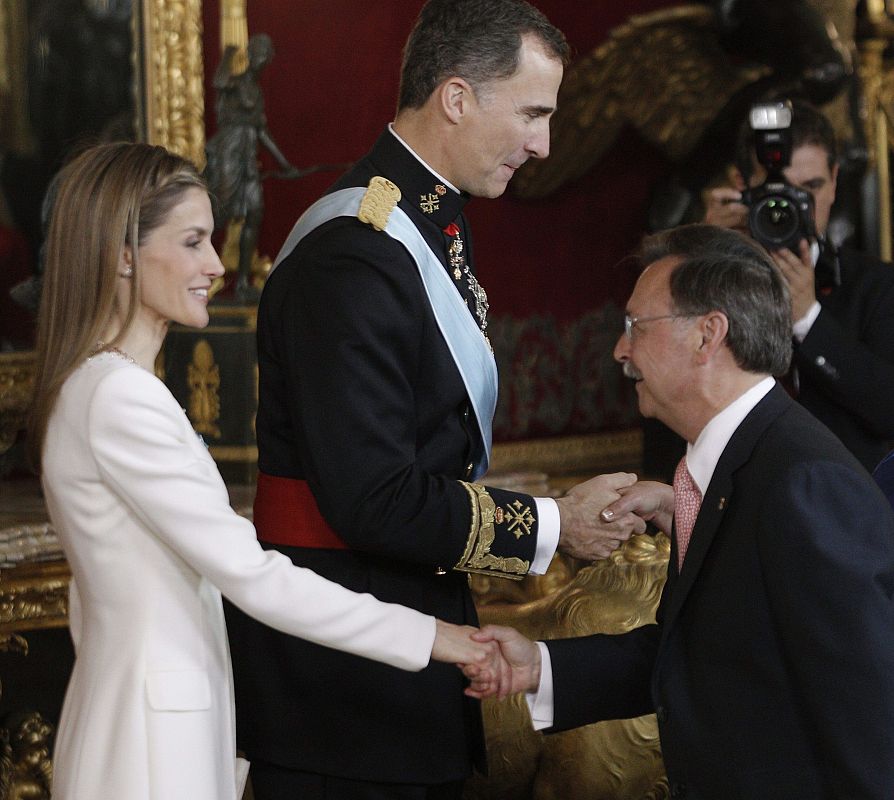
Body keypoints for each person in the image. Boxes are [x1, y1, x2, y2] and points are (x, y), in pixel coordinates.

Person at [224, 2, 646, 798]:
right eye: (532, 113)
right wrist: (552, 525)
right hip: (343, 693)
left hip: (396, 665)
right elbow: (372, 497)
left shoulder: (428, 227)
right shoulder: (355, 254)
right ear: (456, 98)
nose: (543, 144)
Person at [26, 141, 499, 800]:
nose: (215, 265)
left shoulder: (101, 386)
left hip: (144, 718)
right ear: (124, 253)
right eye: (192, 242)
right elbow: (255, 578)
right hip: (150, 740)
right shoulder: (119, 397)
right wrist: (436, 638)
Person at [467, 224, 894, 798]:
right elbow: (689, 654)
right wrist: (540, 666)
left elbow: (870, 722)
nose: (620, 349)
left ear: (707, 335)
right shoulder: (726, 464)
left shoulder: (804, 483)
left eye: (635, 327)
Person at [702, 99, 894, 472]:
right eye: (780, 190)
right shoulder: (707, 281)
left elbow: (889, 410)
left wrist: (807, 318)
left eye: (812, 187)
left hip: (847, 509)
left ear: (835, 182)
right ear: (743, 188)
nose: (794, 206)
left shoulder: (877, 286)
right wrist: (702, 257)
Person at [204, 33, 300, 300]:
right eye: (260, 52)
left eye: (267, 54)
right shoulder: (233, 80)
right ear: (251, 54)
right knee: (218, 214)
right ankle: (198, 274)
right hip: (228, 152)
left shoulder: (256, 91)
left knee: (254, 213)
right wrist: (228, 54)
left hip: (247, 154)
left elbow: (261, 130)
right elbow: (218, 80)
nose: (264, 58)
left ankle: (243, 283)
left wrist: (284, 164)